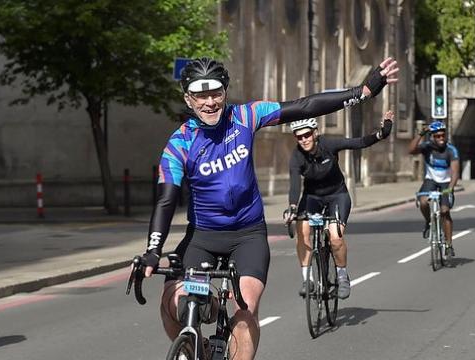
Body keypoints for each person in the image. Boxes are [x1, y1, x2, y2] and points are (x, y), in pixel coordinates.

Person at [134, 57, 398, 360]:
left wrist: (362, 91)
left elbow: (304, 106)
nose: (209, 103)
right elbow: (166, 200)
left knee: (245, 311)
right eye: (200, 95)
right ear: (188, 98)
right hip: (202, 236)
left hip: (248, 235)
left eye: (216, 93)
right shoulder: (179, 143)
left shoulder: (245, 116)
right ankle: (200, 345)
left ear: (225, 92)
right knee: (174, 304)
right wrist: (153, 248)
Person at [284, 111, 393, 299]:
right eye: (299, 136)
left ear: (315, 133)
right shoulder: (297, 156)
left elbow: (357, 142)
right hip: (312, 197)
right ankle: (307, 280)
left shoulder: (329, 145)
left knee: (335, 237)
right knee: (302, 233)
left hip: (337, 195)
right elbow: (294, 184)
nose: (304, 139)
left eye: (307, 134)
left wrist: (381, 133)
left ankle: (342, 277)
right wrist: (292, 208)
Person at [409, 121, 460, 258]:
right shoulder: (427, 147)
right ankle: (428, 221)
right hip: (430, 181)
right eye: (437, 136)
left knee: (445, 211)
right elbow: (411, 150)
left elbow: (455, 172)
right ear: (432, 137)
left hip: (446, 183)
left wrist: (450, 189)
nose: (441, 138)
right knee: (423, 202)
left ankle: (449, 244)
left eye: (443, 135)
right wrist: (421, 134)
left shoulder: (451, 150)